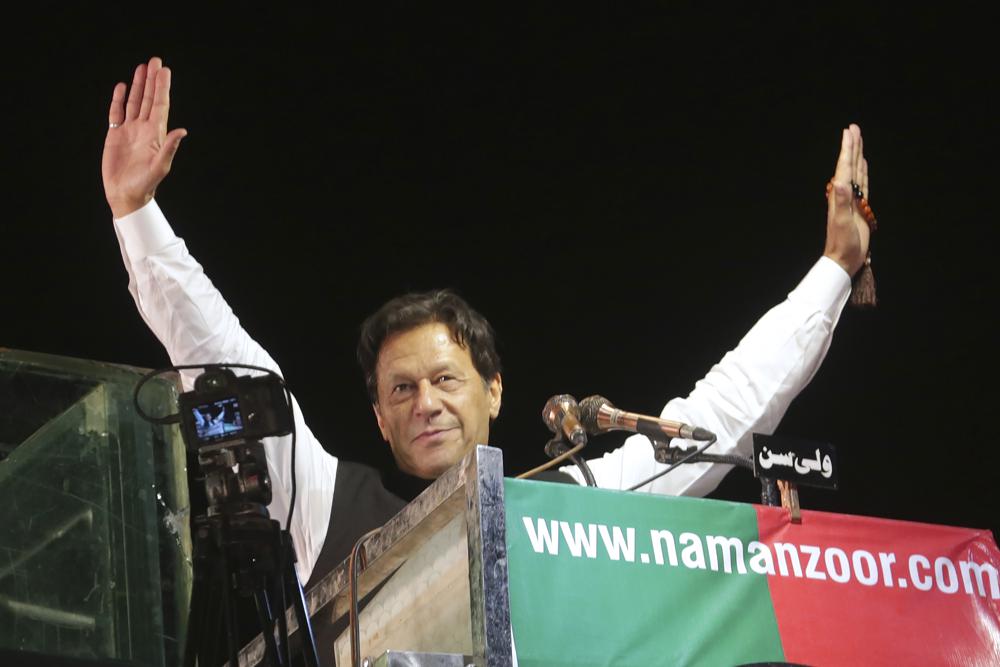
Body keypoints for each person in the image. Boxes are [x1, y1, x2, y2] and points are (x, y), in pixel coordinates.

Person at [103, 54, 869, 645]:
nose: (425, 401)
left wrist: (836, 268)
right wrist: (137, 212)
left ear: (494, 390)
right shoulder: (327, 500)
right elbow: (230, 361)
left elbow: (723, 410)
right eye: (401, 390)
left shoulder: (577, 495)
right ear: (377, 417)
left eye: (444, 378)